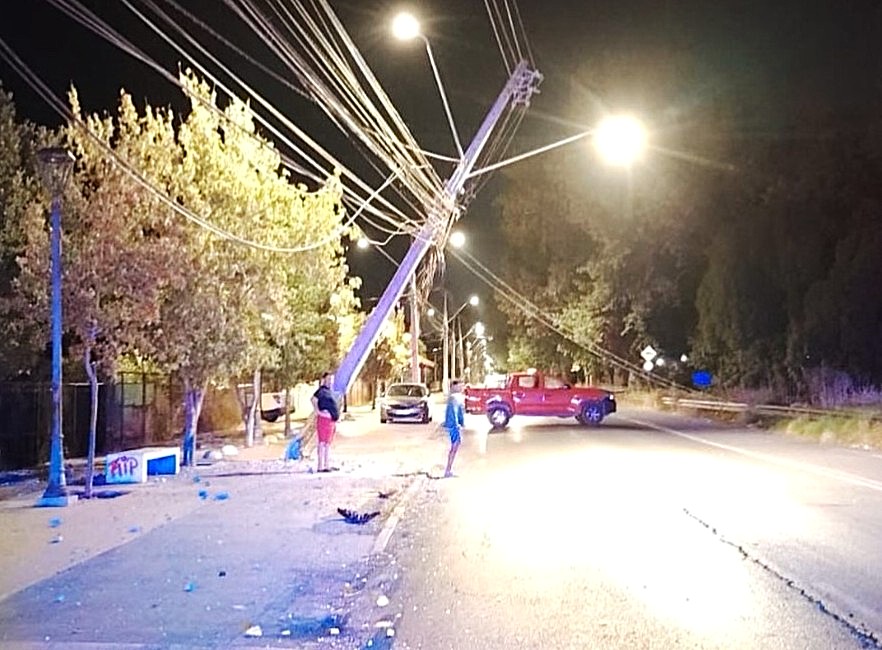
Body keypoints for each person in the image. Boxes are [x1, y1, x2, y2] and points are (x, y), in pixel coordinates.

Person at [311, 372, 339, 472]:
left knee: (328, 444)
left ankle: (327, 465)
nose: (329, 382)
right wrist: (318, 411)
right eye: (328, 380)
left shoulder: (330, 392)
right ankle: (320, 466)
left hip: (330, 420)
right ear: (323, 380)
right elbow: (313, 399)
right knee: (322, 443)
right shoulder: (321, 391)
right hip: (323, 419)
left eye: (331, 380)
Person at [443, 380, 465, 478]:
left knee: (455, 445)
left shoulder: (456, 397)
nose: (461, 388)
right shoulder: (454, 398)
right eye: (460, 386)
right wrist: (457, 424)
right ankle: (448, 470)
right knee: (455, 445)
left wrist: (461, 422)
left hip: (454, 425)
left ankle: (449, 469)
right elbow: (453, 412)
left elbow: (459, 412)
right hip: (453, 425)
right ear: (454, 387)